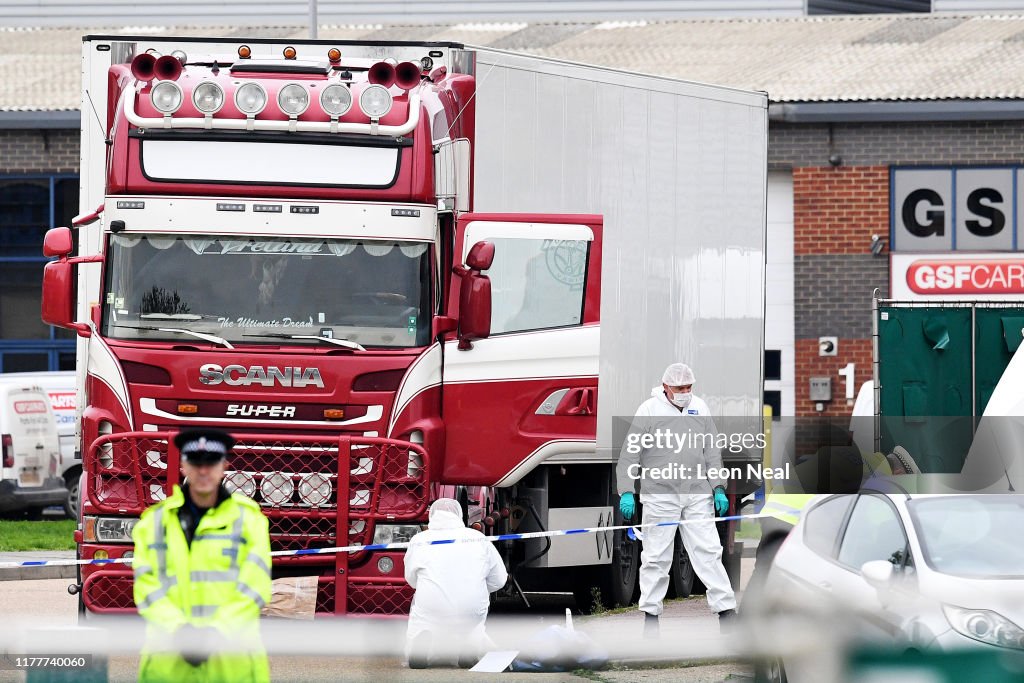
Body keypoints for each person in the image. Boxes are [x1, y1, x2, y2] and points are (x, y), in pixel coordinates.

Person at [131, 428, 272, 682]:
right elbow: (147, 586)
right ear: (183, 466)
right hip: (170, 667)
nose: (204, 471)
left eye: (211, 462)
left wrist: (216, 633)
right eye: (196, 463)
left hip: (231, 666)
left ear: (224, 467)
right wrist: (179, 632)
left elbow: (254, 587)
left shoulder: (249, 520)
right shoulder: (154, 523)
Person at [616, 363, 737, 637]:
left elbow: (712, 451)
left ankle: (727, 613)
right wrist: (626, 489)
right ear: (666, 387)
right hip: (660, 494)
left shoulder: (700, 408)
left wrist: (718, 486)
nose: (686, 392)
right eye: (681, 388)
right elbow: (630, 453)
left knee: (708, 551)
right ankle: (650, 618)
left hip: (696, 493)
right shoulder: (649, 410)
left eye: (689, 387)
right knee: (656, 557)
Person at [404, 498, 508, 669]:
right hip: (472, 606)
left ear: (432, 515)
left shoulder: (419, 539)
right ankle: (470, 647)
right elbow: (500, 579)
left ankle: (421, 641)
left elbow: (411, 580)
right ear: (459, 515)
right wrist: (477, 587)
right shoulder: (477, 538)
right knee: (474, 623)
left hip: (431, 605)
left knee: (422, 614)